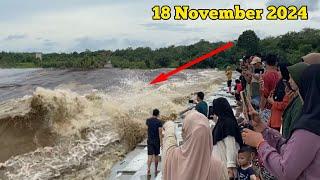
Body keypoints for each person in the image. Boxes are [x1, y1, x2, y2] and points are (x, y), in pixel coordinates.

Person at [242, 64, 320, 180]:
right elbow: (293, 151)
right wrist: (264, 129)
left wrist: (260, 144)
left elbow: (285, 171)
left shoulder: (309, 128)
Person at [162, 110, 228, 180]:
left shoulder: (172, 156)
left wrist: (170, 125)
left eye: (183, 130)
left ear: (187, 133)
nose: (181, 133)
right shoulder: (219, 168)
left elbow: (169, 141)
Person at [211, 97, 243, 179]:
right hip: (220, 165)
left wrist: (230, 167)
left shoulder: (228, 123)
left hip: (226, 167)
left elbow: (231, 146)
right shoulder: (222, 121)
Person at [282, 62, 309, 138]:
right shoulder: (299, 97)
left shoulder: (301, 102)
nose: (289, 81)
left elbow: (293, 128)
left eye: (291, 78)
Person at [267, 64, 290, 132]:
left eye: (279, 70)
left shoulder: (288, 86)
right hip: (273, 119)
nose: (277, 73)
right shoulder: (280, 83)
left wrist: (273, 102)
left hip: (279, 121)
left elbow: (285, 105)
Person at [259, 54, 280, 122]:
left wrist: (261, 109)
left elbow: (264, 94)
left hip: (268, 107)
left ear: (265, 63)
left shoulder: (265, 76)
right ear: (276, 63)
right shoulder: (279, 74)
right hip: (278, 105)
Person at [146, 109, 163, 176]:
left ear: (152, 113)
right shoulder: (159, 122)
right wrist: (161, 142)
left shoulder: (148, 120)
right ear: (158, 114)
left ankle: (148, 169)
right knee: (156, 156)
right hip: (156, 141)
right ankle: (155, 170)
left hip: (150, 140)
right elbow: (160, 133)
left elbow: (147, 129)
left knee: (149, 156)